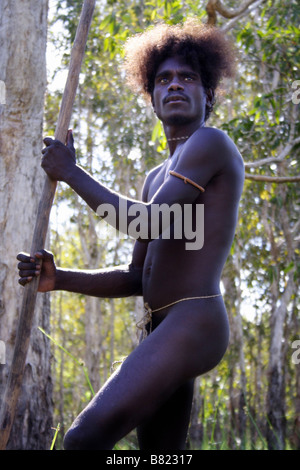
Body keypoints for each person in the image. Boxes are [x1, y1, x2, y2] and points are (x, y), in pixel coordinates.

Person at [17, 19, 244, 450]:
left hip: (194, 320)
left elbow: (146, 222)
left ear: (208, 94)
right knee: (159, 456)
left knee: (82, 440)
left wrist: (71, 173)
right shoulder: (155, 177)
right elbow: (136, 277)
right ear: (152, 98)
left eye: (187, 77)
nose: (174, 85)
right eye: (163, 79)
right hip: (162, 328)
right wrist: (59, 277)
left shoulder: (211, 143)